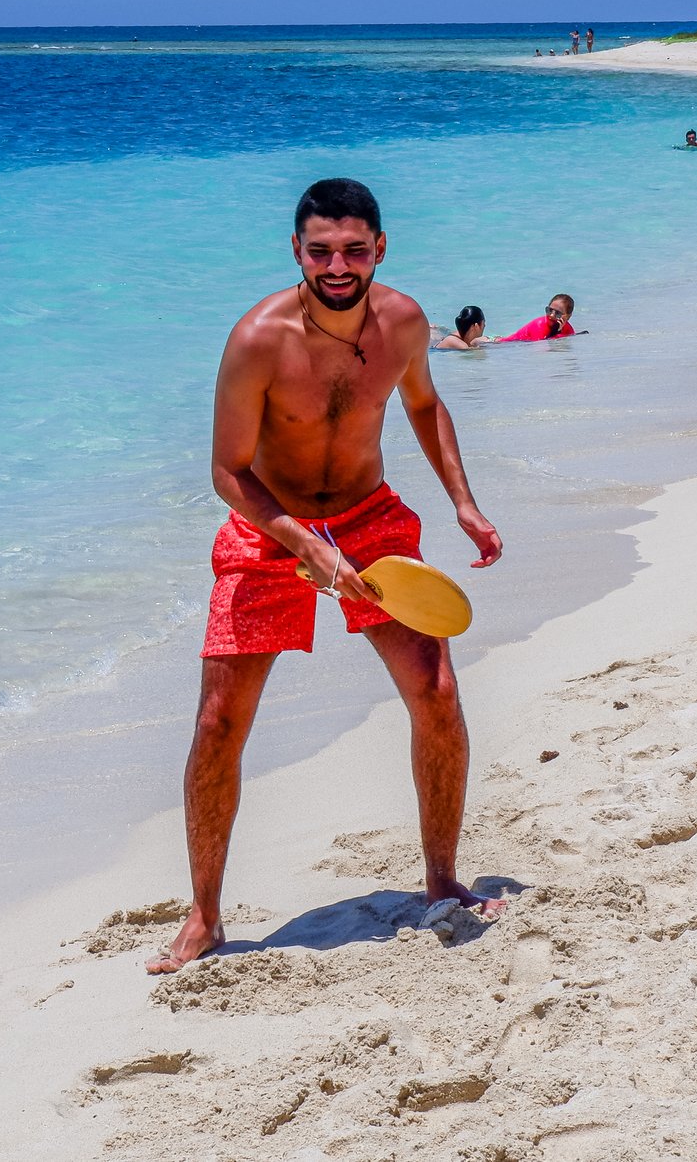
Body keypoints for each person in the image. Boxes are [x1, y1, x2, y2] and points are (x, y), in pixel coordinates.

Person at [147, 178, 506, 974]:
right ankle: (204, 915)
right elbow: (228, 470)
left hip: (369, 515)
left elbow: (423, 404)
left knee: (437, 694)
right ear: (297, 252)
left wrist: (464, 502)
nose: (337, 265)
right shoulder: (258, 339)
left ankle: (442, 877)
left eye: (353, 249)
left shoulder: (406, 321)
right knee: (218, 723)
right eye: (320, 250)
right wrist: (298, 541)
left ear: (380, 246)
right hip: (266, 524)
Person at [497, 293, 579, 342]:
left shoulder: (567, 327)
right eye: (549, 310)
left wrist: (558, 332)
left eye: (558, 313)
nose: (551, 315)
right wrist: (557, 333)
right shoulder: (540, 325)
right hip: (503, 344)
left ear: (568, 316)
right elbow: (541, 353)